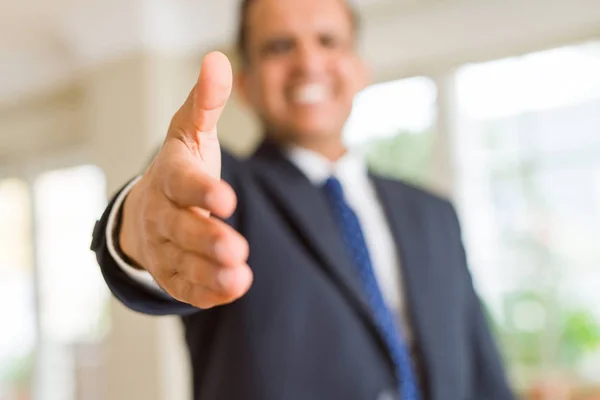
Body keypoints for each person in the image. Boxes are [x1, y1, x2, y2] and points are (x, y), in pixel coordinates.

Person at [90, 0, 515, 398]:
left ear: (358, 67)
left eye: (328, 41)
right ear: (247, 83)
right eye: (279, 47)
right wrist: (136, 229)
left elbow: (484, 375)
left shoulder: (434, 214)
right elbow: (160, 218)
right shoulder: (224, 190)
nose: (309, 63)